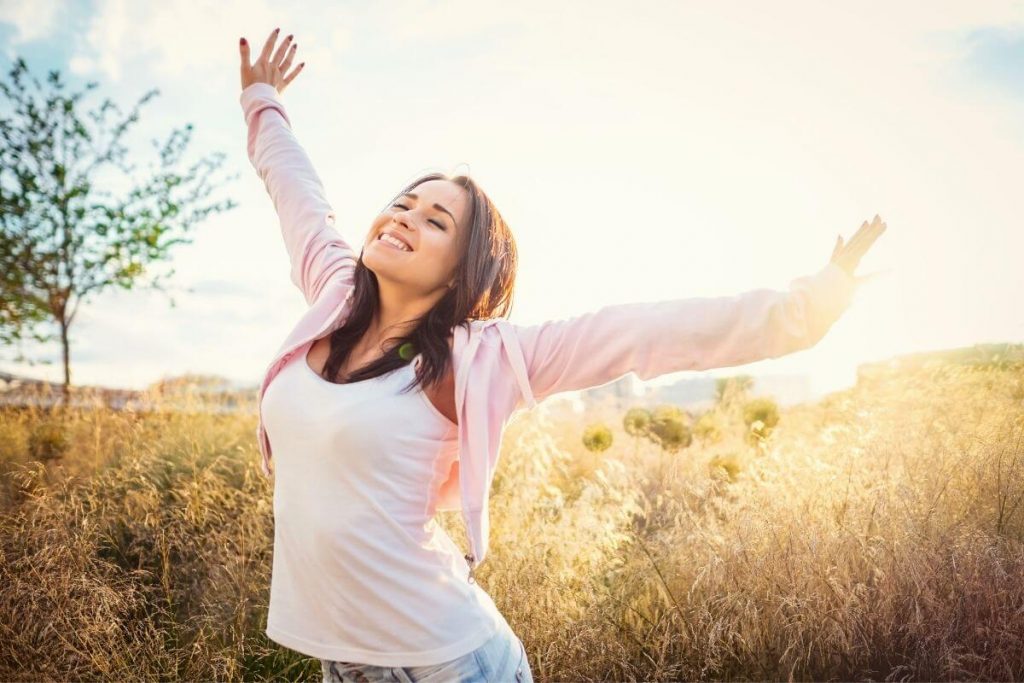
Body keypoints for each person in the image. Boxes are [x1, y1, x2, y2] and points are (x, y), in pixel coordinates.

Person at [237, 27, 886, 683]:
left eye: (436, 221)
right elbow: (297, 192)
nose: (403, 217)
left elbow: (646, 330)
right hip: (342, 662)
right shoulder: (333, 296)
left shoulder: (476, 361)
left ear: (463, 273)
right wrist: (262, 99)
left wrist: (810, 306)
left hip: (449, 663)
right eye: (403, 204)